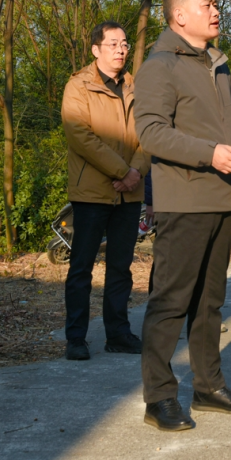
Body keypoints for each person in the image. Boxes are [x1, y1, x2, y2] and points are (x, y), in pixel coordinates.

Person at [134, 0, 231, 432]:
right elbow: (151, 132)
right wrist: (210, 154)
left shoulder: (216, 64)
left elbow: (227, 130)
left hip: (220, 197)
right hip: (183, 199)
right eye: (207, 4)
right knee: (171, 302)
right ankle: (159, 397)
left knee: (209, 303)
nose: (216, 11)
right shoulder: (159, 66)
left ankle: (208, 387)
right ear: (179, 15)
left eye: (216, 3)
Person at [60, 21, 150, 361]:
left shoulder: (135, 87)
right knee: (81, 267)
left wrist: (135, 173)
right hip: (92, 193)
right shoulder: (78, 86)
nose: (121, 50)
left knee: (121, 267)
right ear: (96, 49)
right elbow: (80, 136)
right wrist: (123, 171)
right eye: (113, 44)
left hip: (129, 193)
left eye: (124, 44)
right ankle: (76, 338)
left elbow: (149, 135)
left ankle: (118, 333)